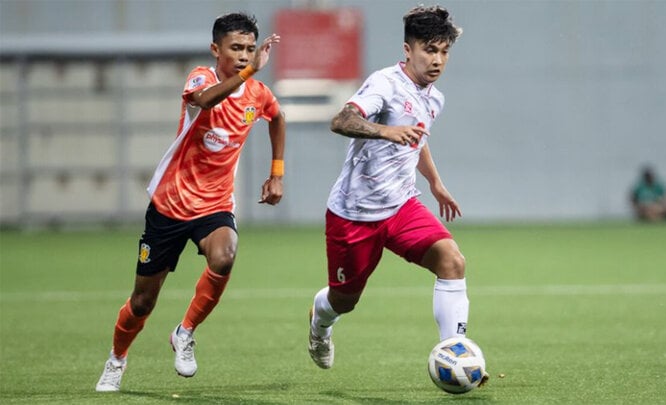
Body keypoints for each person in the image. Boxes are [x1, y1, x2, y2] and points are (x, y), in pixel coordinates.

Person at [95, 12, 285, 392]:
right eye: (236, 48)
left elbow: (277, 119)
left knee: (225, 254)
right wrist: (248, 74)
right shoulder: (202, 77)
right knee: (142, 302)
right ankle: (117, 359)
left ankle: (185, 331)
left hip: (214, 206)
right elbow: (204, 100)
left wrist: (276, 172)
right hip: (170, 206)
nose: (245, 56)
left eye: (250, 49)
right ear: (216, 49)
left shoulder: (258, 95)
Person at [306, 5, 487, 385]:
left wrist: (435, 183)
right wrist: (385, 131)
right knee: (345, 300)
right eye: (429, 51)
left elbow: (416, 140)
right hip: (354, 213)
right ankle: (320, 322)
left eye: (444, 52)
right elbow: (342, 120)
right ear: (408, 50)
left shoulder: (434, 98)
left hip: (402, 205)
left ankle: (456, 353)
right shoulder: (384, 84)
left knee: (452, 261)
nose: (437, 60)